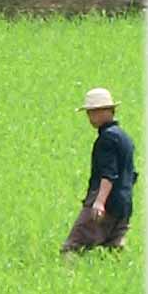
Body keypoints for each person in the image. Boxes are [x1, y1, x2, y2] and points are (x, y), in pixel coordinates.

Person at [61, 87, 137, 253]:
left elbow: (108, 173)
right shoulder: (125, 138)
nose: (90, 117)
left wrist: (99, 202)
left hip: (106, 203)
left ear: (107, 111)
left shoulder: (106, 139)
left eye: (93, 112)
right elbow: (132, 175)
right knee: (114, 251)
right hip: (124, 205)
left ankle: (68, 279)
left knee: (71, 249)